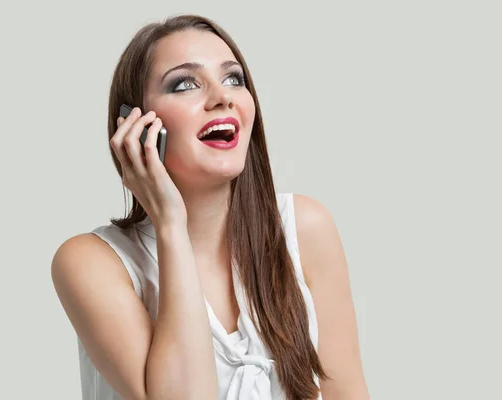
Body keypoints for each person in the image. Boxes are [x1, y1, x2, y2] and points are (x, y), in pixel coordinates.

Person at [51, 14, 370, 400]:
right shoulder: (91, 262)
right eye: (185, 84)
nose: (223, 97)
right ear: (135, 125)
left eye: (234, 79)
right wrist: (170, 223)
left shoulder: (305, 229)